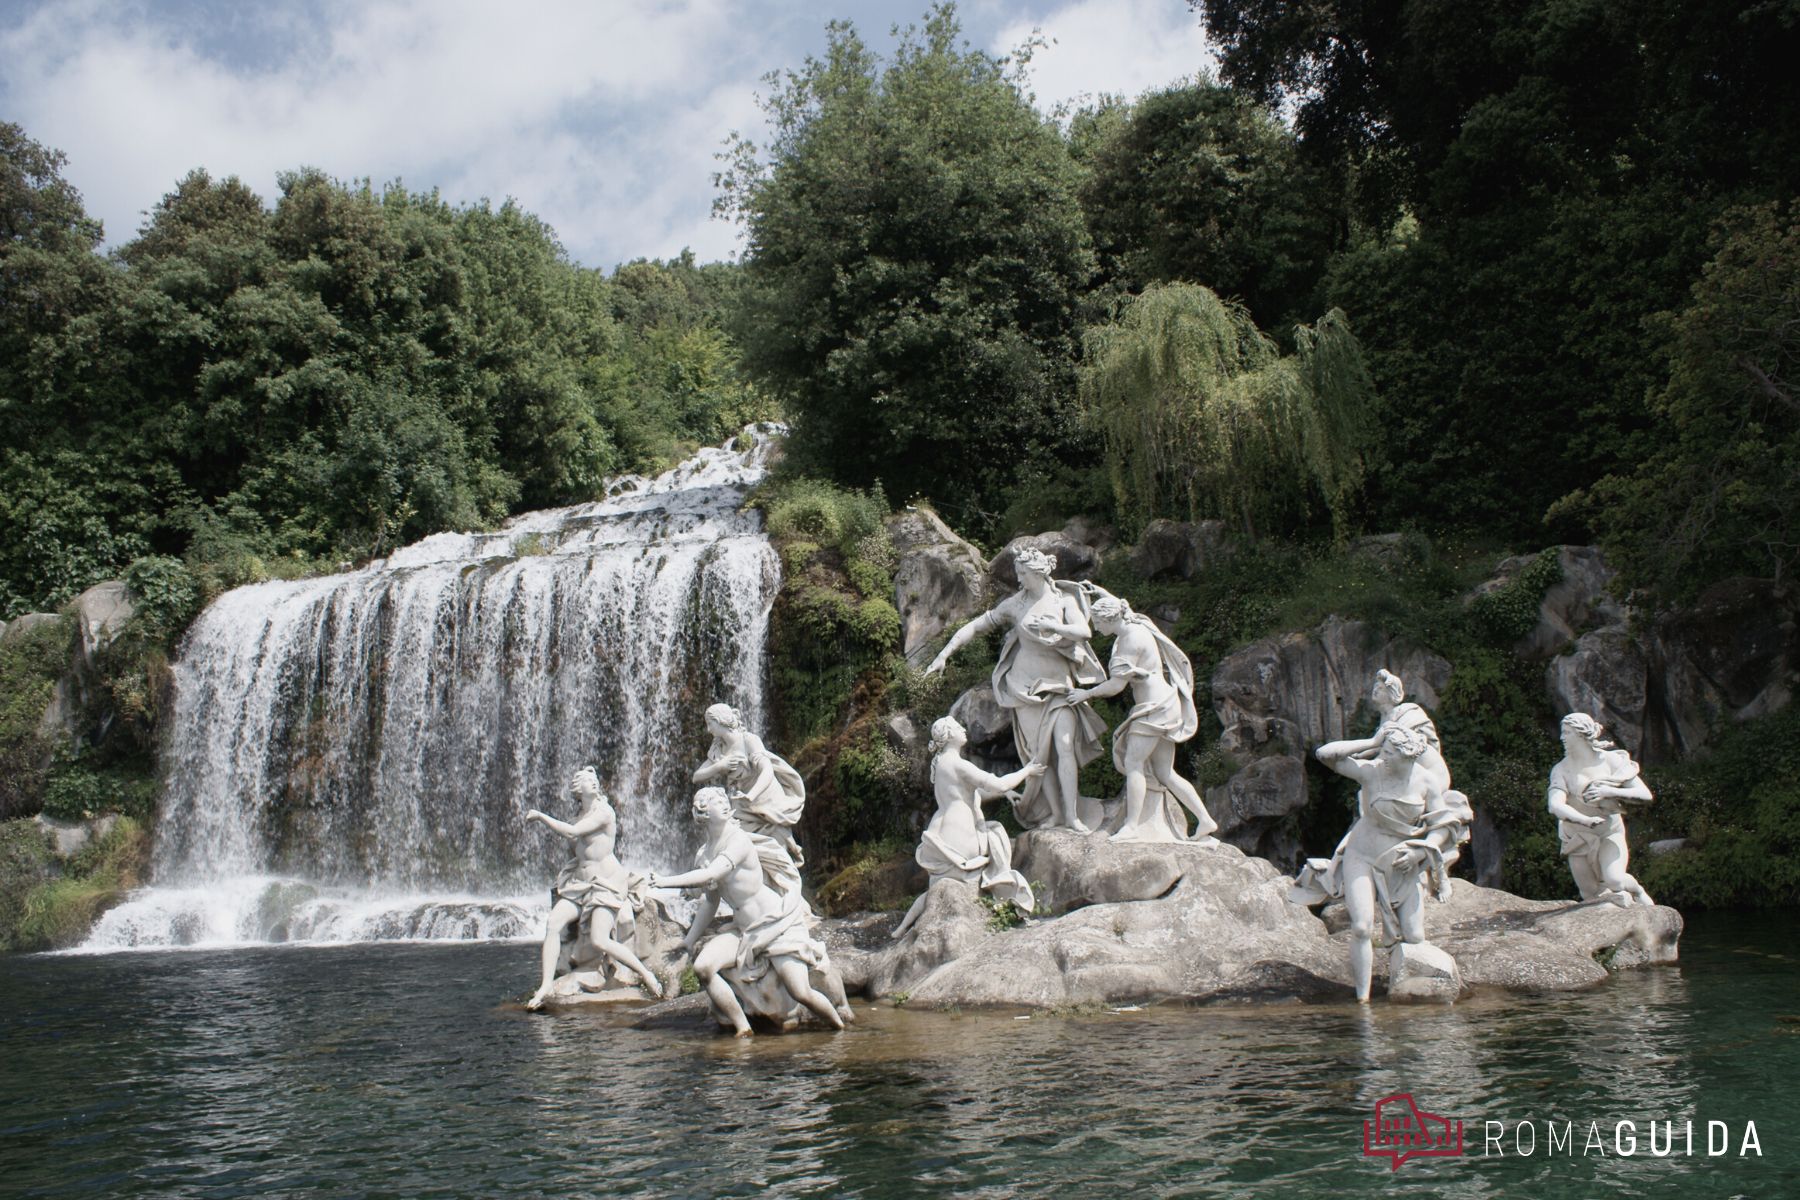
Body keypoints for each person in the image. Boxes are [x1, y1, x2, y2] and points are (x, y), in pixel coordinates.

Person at [925, 547, 1106, 832]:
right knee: (1040, 755)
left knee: (1065, 745)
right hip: (1024, 687)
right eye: (1018, 574)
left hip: (1059, 685)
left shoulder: (1064, 601)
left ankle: (1072, 816)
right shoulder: (1015, 604)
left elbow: (1084, 632)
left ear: (1039, 573)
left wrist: (1053, 625)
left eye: (1023, 574)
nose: (1019, 580)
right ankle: (1057, 815)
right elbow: (977, 626)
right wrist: (944, 653)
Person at [649, 787, 847, 1036]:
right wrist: (688, 941)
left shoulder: (738, 840)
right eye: (715, 801)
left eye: (723, 800)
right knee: (703, 968)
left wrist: (665, 882)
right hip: (744, 930)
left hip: (775, 924)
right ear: (702, 812)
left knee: (800, 991)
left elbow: (712, 874)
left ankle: (840, 1030)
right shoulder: (704, 853)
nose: (723, 803)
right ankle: (743, 1028)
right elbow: (710, 902)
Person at [1298, 727, 1473, 1003]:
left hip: (1402, 864)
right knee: (1362, 927)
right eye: (1383, 750)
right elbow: (1325, 754)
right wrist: (1373, 741)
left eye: (1389, 752)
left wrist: (1418, 856)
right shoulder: (1372, 771)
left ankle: (1404, 983)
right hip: (1362, 856)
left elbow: (1443, 827)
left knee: (1415, 937)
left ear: (1407, 756)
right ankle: (1363, 999)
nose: (1383, 756)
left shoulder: (1426, 782)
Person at [1065, 593, 1217, 843]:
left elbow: (1115, 687)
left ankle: (1132, 826)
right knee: (1165, 772)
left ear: (1108, 618)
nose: (1095, 627)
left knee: (1133, 762)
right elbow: (1123, 607)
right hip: (1166, 704)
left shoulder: (1129, 640)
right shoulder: (1137, 625)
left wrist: (1086, 693)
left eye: (1098, 622)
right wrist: (1097, 592)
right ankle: (1205, 820)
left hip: (1153, 707)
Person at [524, 766, 663, 1010]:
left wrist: (540, 816)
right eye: (589, 781)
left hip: (605, 884)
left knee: (600, 940)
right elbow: (575, 839)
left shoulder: (605, 812)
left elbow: (572, 832)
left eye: (595, 780)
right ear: (578, 789)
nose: (595, 783)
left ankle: (645, 974)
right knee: (553, 923)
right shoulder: (580, 815)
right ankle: (546, 985)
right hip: (580, 884)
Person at [892, 717, 1044, 939]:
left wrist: (1005, 793)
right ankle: (1005, 895)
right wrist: (1027, 771)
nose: (963, 729)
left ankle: (902, 928)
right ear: (948, 735)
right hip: (960, 837)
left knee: (936, 887)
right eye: (957, 727)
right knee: (995, 832)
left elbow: (969, 793)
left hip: (939, 835)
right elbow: (998, 783)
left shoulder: (941, 763)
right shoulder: (958, 764)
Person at [1547, 712, 1655, 907]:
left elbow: (1645, 794)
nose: (1562, 737)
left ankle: (1636, 890)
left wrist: (1609, 791)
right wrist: (1583, 820)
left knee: (1615, 880)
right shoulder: (1561, 770)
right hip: (1576, 837)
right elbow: (1555, 805)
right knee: (1588, 893)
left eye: (1567, 733)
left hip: (1608, 833)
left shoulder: (1611, 761)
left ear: (1581, 734)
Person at [692, 702, 806, 868]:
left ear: (720, 720)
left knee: (775, 842)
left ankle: (784, 882)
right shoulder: (718, 747)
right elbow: (697, 777)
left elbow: (767, 770)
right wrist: (720, 766)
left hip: (765, 796)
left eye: (710, 723)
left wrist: (751, 795)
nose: (708, 729)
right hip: (743, 801)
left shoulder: (749, 740)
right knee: (735, 837)